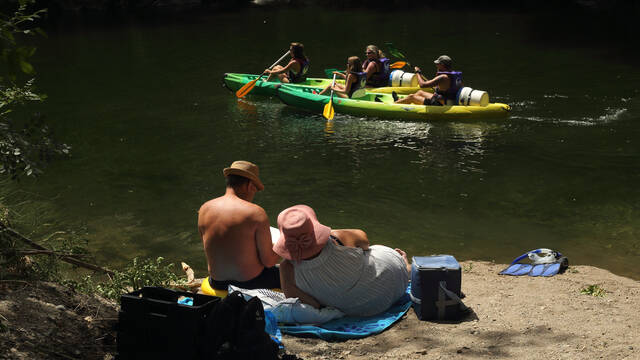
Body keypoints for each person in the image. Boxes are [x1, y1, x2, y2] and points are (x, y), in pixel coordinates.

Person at [274, 205, 411, 317]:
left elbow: (311, 305)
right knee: (375, 249)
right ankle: (405, 265)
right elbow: (365, 241)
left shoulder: (286, 269)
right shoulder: (336, 239)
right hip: (393, 287)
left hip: (357, 311)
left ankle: (403, 266)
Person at [198, 160, 281, 291]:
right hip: (250, 283)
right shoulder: (255, 213)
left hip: (217, 282)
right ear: (249, 186)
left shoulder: (204, 209)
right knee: (289, 271)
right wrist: (282, 244)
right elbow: (269, 262)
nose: (254, 193)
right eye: (255, 189)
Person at [393, 55, 463, 106]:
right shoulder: (452, 75)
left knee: (412, 96)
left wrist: (417, 73)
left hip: (440, 104)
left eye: (437, 64)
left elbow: (422, 85)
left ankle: (394, 105)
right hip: (447, 100)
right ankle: (400, 101)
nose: (436, 65)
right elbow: (444, 87)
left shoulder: (443, 77)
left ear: (442, 65)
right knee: (420, 92)